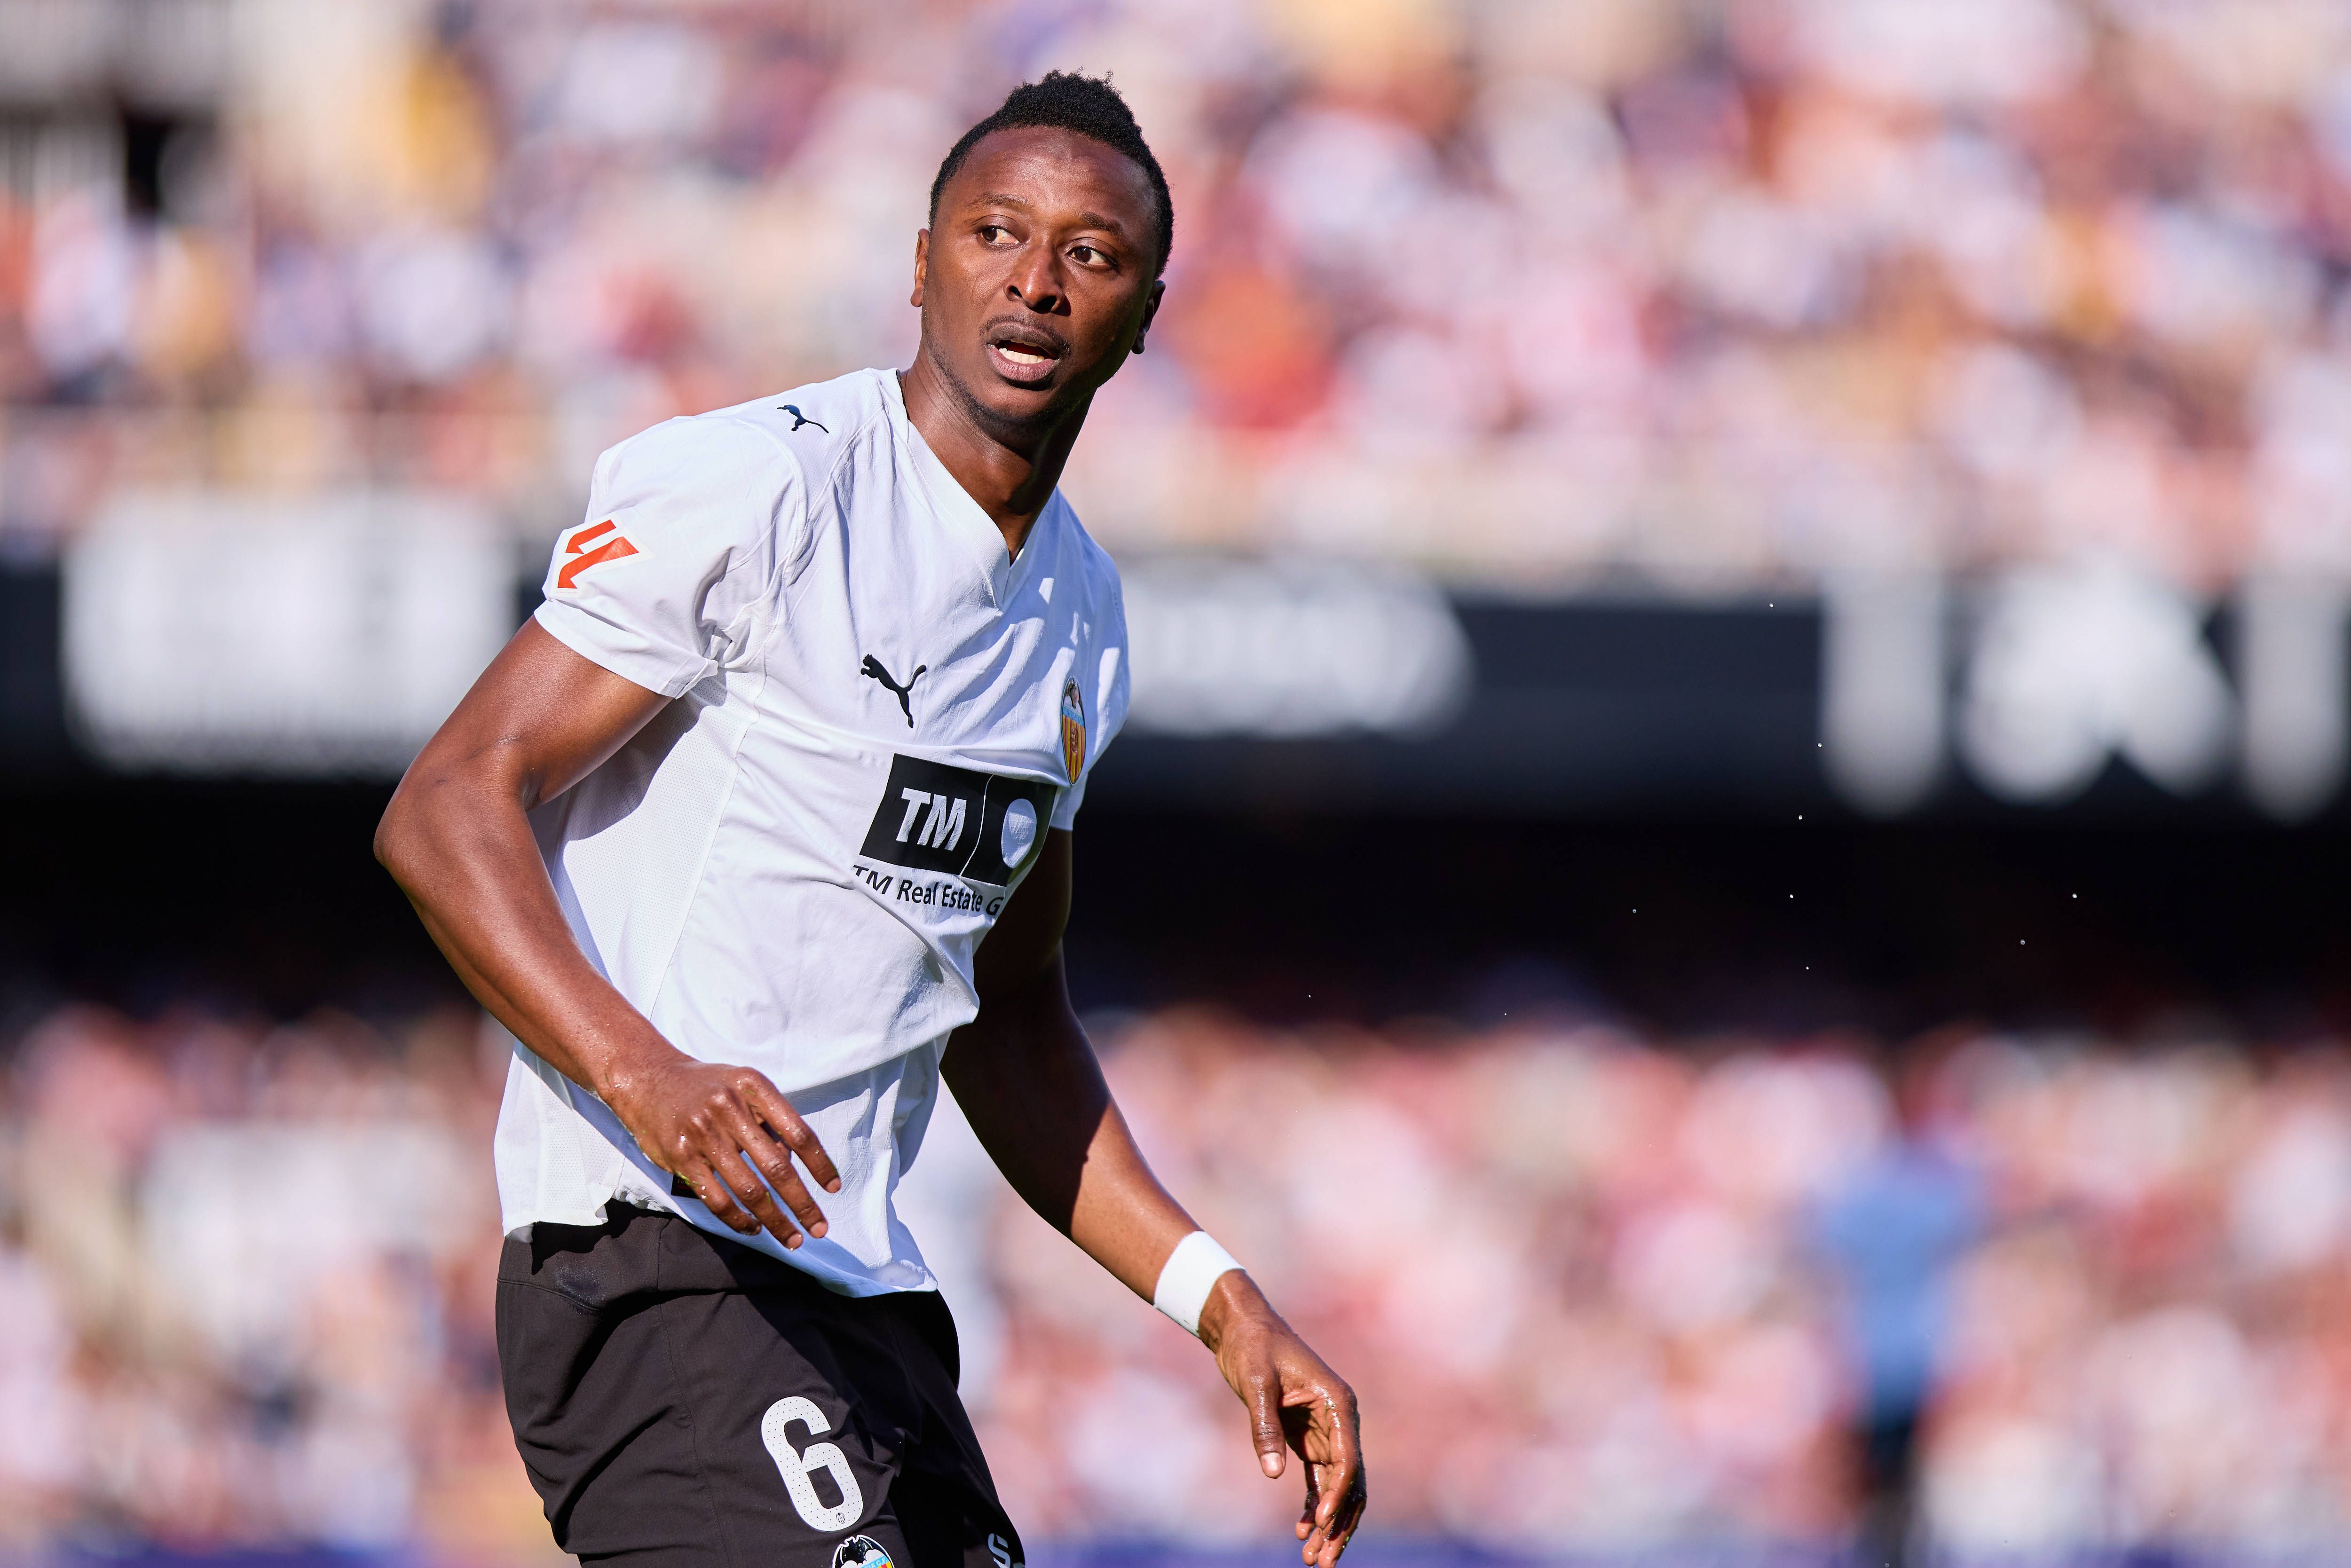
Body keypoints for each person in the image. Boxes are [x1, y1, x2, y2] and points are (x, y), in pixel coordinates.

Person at [374, 71, 1363, 1568]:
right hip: (653, 1260)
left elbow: (1006, 1017)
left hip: (864, 1303)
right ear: (919, 267)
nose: (1035, 280)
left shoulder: (1081, 619)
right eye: (994, 233)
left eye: (1091, 253)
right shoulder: (766, 486)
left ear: (1146, 316)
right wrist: (648, 1077)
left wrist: (1225, 1304)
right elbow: (448, 802)